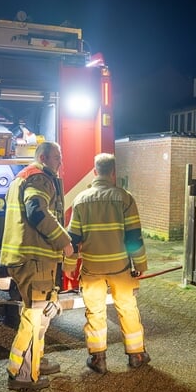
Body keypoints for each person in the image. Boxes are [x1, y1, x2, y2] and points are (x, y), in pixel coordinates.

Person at [64, 153, 150, 374]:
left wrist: (69, 266)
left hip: (92, 268)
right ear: (113, 173)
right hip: (120, 268)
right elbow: (133, 236)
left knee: (95, 312)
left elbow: (73, 239)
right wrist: (140, 265)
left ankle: (98, 359)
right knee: (128, 309)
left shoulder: (81, 200)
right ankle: (136, 355)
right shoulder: (125, 198)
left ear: (95, 172)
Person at [0, 141, 73, 392]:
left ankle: (35, 363)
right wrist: (64, 240)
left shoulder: (21, 177)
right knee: (34, 315)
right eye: (57, 157)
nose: (60, 162)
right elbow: (36, 212)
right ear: (43, 158)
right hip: (35, 259)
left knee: (40, 315)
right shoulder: (39, 179)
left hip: (29, 257)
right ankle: (21, 373)